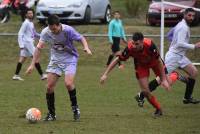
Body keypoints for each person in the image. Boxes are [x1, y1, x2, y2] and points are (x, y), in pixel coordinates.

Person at [26, 15, 92, 121]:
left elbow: (81, 38)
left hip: (70, 59)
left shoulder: (68, 30)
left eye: (54, 29)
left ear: (59, 25)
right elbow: (38, 49)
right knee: (49, 87)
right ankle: (52, 114)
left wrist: (86, 47)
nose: (53, 31)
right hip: (55, 60)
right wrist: (32, 64)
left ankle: (75, 109)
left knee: (68, 83)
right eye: (51, 29)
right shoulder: (46, 32)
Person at [135, 8, 200, 107]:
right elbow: (179, 43)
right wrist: (194, 46)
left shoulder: (182, 25)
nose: (191, 18)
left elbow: (170, 35)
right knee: (160, 79)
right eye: (189, 15)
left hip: (180, 56)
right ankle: (141, 95)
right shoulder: (183, 27)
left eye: (193, 16)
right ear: (185, 15)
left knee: (194, 72)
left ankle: (187, 98)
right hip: (174, 57)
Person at [100, 32, 170, 117]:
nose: (134, 46)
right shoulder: (130, 48)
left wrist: (163, 79)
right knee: (145, 91)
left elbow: (159, 61)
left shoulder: (150, 45)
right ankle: (158, 109)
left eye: (137, 44)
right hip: (141, 66)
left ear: (142, 41)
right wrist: (105, 74)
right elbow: (117, 59)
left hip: (155, 63)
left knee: (168, 81)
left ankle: (175, 75)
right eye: (133, 43)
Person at [12, 8, 47, 81]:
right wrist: (21, 45)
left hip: (28, 43)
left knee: (22, 59)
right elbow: (20, 33)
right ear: (26, 15)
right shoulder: (26, 23)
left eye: (31, 13)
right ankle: (42, 75)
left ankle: (16, 75)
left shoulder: (31, 23)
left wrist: (42, 36)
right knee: (36, 57)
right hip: (27, 43)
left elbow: (34, 33)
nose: (31, 14)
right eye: (29, 13)